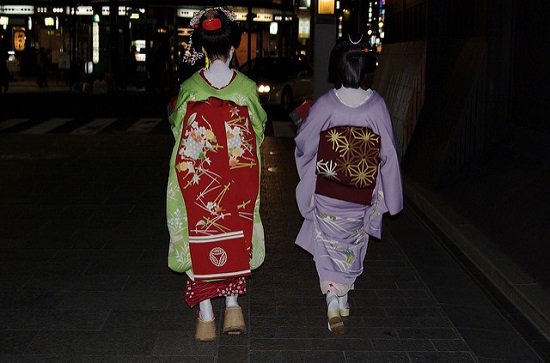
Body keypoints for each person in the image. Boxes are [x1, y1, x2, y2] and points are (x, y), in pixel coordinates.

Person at [165, 7, 267, 342]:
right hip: (237, 180)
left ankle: (206, 317)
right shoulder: (247, 88)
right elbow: (258, 130)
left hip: (200, 183)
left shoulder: (191, 88)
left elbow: (178, 128)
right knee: (236, 233)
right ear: (233, 47)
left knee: (199, 233)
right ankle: (233, 307)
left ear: (203, 49)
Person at [293, 35, 403, 335]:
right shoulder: (377, 105)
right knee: (352, 245)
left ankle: (333, 298)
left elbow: (305, 142)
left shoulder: (326, 104)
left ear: (336, 68)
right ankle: (341, 297)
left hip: (329, 192)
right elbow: (389, 153)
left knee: (327, 244)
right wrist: (392, 197)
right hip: (360, 195)